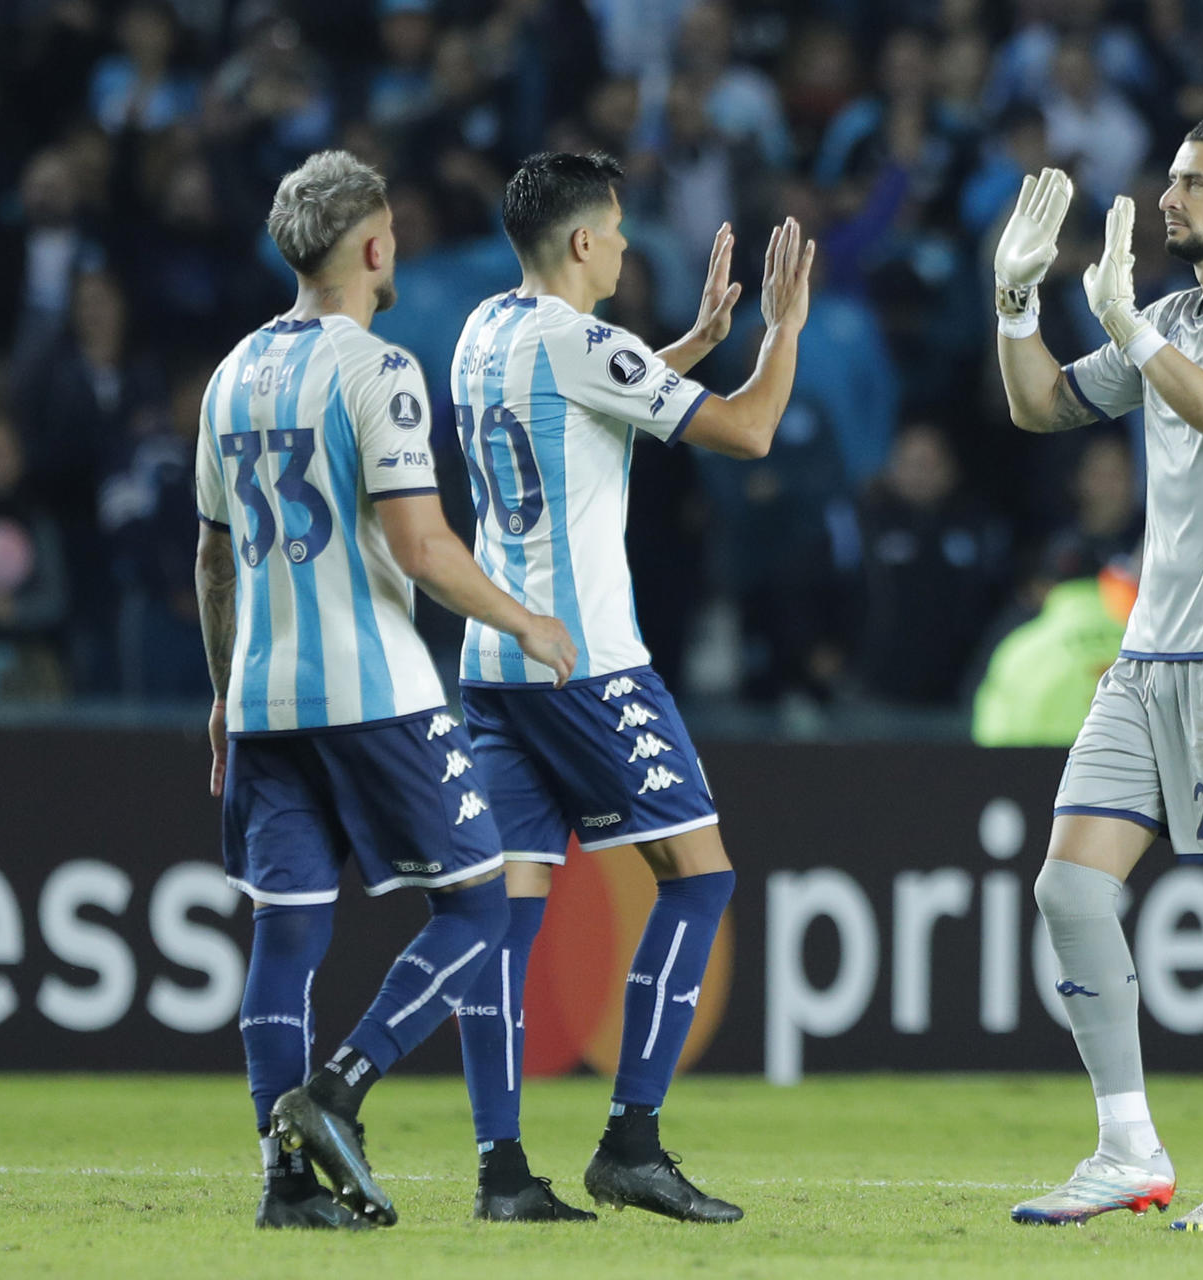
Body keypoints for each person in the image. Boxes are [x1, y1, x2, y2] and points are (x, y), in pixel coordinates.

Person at [193, 150, 576, 1232]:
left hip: (263, 698)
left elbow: (213, 563)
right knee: (477, 902)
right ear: (370, 245)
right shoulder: (380, 369)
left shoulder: (227, 376)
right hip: (377, 692)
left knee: (285, 938)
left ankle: (285, 1186)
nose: (398, 247)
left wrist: (224, 692)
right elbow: (420, 542)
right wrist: (521, 616)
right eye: (394, 232)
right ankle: (340, 1089)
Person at [447, 150, 813, 1224]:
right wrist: (780, 328)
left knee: (507, 923)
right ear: (577, 243)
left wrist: (693, 344)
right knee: (698, 879)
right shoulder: (582, 339)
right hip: (590, 664)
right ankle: (632, 1139)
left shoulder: (486, 330)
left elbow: (586, 402)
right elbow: (746, 430)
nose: (624, 244)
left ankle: (501, 1169)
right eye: (612, 228)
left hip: (494, 666)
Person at [992, 116, 1203, 1232]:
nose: (1170, 196)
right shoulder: (1176, 316)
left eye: (1195, 182)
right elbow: (1037, 403)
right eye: (1172, 176)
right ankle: (1127, 1145)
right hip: (1152, 654)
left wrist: (1135, 335)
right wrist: (1013, 304)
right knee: (1069, 887)